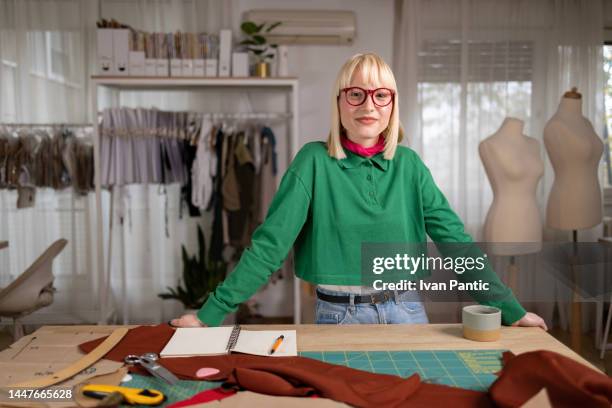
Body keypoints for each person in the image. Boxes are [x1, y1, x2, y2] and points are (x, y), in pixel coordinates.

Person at [172, 53, 547, 330]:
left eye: (381, 95)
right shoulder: (312, 162)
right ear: (339, 102)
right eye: (356, 94)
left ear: (392, 105)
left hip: (408, 313)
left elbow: (457, 245)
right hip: (338, 316)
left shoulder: (410, 166)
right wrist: (209, 315)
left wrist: (511, 311)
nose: (369, 105)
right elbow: (270, 245)